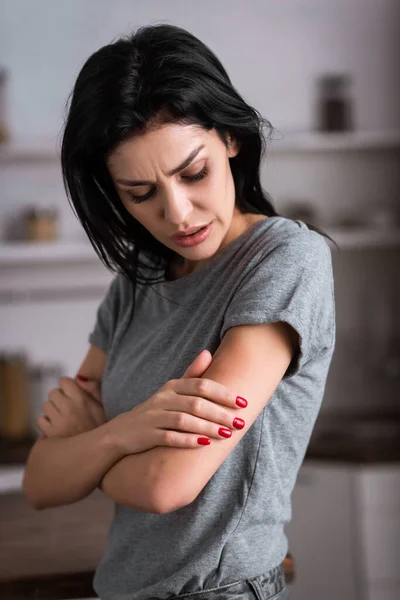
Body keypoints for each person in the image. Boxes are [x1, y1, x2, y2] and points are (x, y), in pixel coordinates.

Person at [23, 23, 336, 600]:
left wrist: (90, 443)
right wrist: (124, 436)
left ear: (231, 140)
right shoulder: (137, 281)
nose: (178, 213)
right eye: (141, 193)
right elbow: (41, 481)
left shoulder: (285, 260)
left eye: (194, 173)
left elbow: (170, 484)